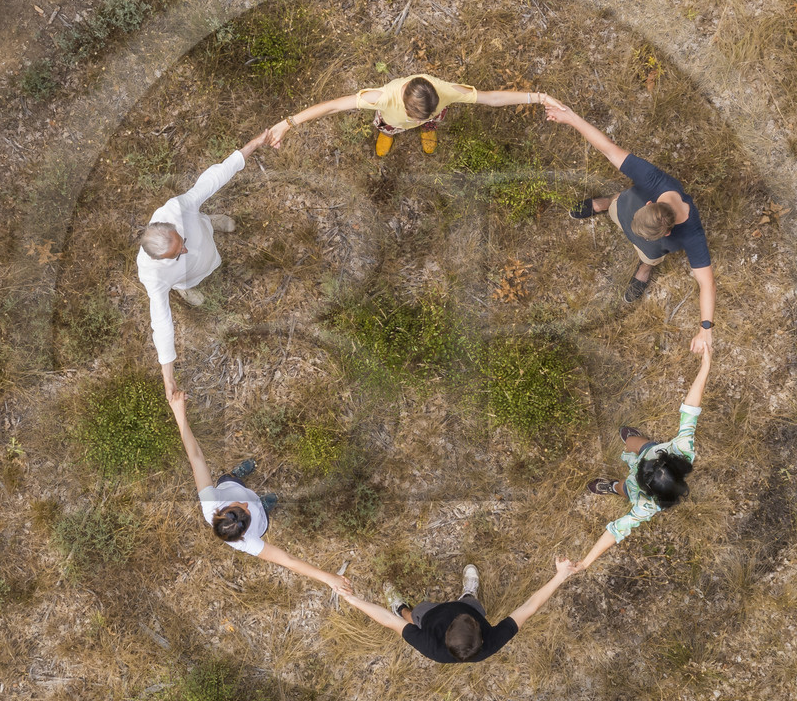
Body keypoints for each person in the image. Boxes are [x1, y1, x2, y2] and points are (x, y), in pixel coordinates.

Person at [542, 98, 717, 319]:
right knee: (618, 201)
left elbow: (707, 284)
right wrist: (571, 118)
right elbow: (608, 148)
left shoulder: (693, 235)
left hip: (650, 250)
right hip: (623, 207)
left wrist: (706, 328)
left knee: (649, 257)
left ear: (667, 233)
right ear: (649, 204)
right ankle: (604, 204)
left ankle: (644, 269)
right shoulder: (654, 180)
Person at [167, 389, 352, 593]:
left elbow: (196, 458)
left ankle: (238, 475)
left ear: (220, 511)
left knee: (230, 479)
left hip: (231, 485)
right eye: (247, 514)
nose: (247, 505)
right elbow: (288, 561)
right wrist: (328, 578)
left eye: (239, 507)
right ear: (245, 532)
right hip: (262, 517)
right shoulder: (249, 542)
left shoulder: (210, 502)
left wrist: (179, 412)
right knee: (261, 507)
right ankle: (264, 506)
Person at [138, 129, 269, 397]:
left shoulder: (176, 210)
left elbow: (213, 178)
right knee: (188, 278)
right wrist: (168, 378)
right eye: (177, 253)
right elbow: (161, 324)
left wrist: (252, 145)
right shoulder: (152, 277)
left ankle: (211, 220)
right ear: (159, 259)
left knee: (203, 227)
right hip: (189, 276)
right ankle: (184, 289)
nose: (184, 249)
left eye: (181, 240)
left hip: (204, 234)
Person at [575, 346, 712, 573]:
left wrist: (585, 563)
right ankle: (634, 442)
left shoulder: (645, 505)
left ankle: (611, 486)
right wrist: (705, 366)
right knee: (638, 443)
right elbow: (690, 408)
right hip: (650, 448)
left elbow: (615, 531)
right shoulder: (683, 449)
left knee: (623, 488)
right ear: (672, 463)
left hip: (632, 486)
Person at [335, 558, 577, 663]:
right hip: (469, 607)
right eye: (471, 621)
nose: (455, 614)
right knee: (471, 605)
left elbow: (388, 621)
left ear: (446, 634)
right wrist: (560, 575)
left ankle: (401, 608)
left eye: (460, 621)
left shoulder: (430, 645)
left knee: (410, 617)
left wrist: (353, 600)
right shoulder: (491, 642)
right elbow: (529, 607)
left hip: (429, 616)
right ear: (481, 635)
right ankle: (468, 596)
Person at [265, 75, 561, 158]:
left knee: (432, 121)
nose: (414, 117)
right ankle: (387, 133)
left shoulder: (445, 91)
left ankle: (428, 128)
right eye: (413, 114)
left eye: (420, 116)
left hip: (432, 114)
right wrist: (287, 123)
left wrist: (539, 98)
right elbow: (332, 106)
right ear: (404, 93)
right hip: (390, 119)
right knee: (389, 127)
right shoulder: (381, 98)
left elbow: (491, 98)